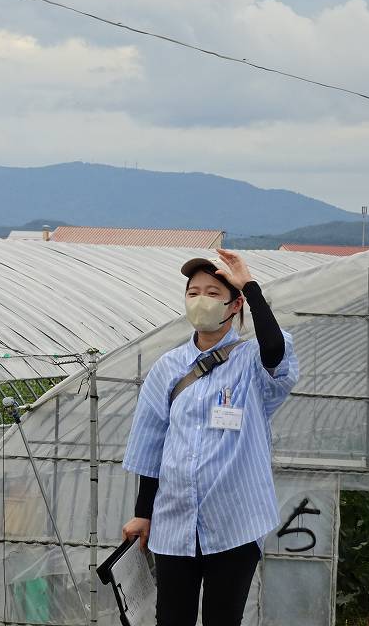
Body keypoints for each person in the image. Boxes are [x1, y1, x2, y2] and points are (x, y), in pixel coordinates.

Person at [121, 248, 298, 626]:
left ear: (233, 306)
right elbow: (152, 444)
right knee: (171, 618)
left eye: (213, 293)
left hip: (234, 522)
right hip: (174, 522)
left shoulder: (251, 361)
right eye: (194, 292)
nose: (201, 300)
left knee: (223, 618)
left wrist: (248, 285)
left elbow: (275, 351)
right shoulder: (168, 367)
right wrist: (142, 513)